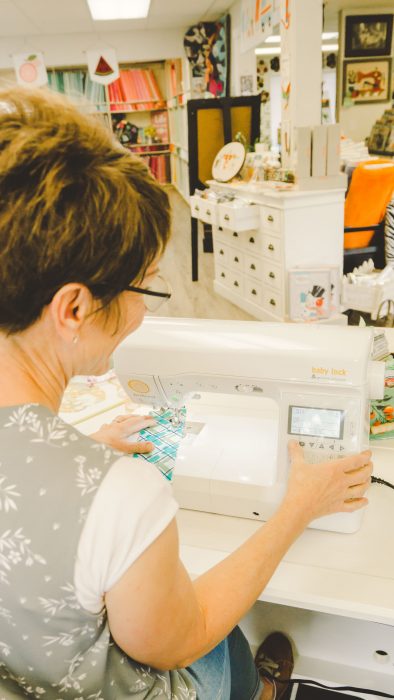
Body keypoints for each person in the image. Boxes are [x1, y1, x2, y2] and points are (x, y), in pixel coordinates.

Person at [0, 87, 373, 700]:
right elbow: (177, 638)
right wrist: (297, 509)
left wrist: (79, 447)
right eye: (143, 288)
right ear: (73, 307)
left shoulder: (81, 466)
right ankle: (260, 690)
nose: (145, 312)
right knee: (223, 640)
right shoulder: (120, 497)